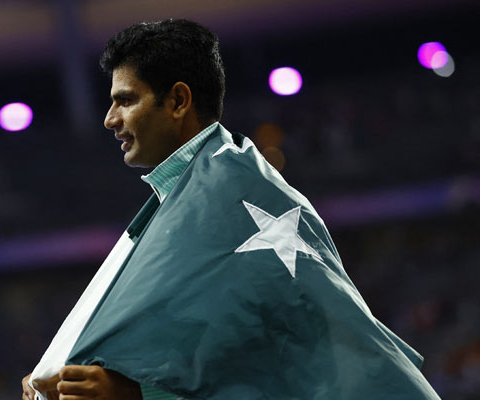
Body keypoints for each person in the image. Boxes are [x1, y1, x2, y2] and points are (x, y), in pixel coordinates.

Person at [22, 19, 439, 400]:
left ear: (179, 101)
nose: (110, 118)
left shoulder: (233, 199)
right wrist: (64, 365)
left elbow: (278, 372)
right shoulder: (191, 199)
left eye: (125, 100)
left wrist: (141, 397)